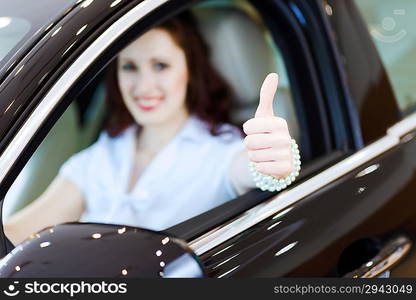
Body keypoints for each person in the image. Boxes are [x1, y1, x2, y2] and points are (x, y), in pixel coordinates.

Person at [4, 12, 294, 245]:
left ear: (189, 71)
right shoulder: (104, 153)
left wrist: (275, 165)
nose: (143, 86)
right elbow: (24, 228)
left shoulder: (221, 151)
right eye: (130, 67)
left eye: (160, 65)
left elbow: (253, 169)